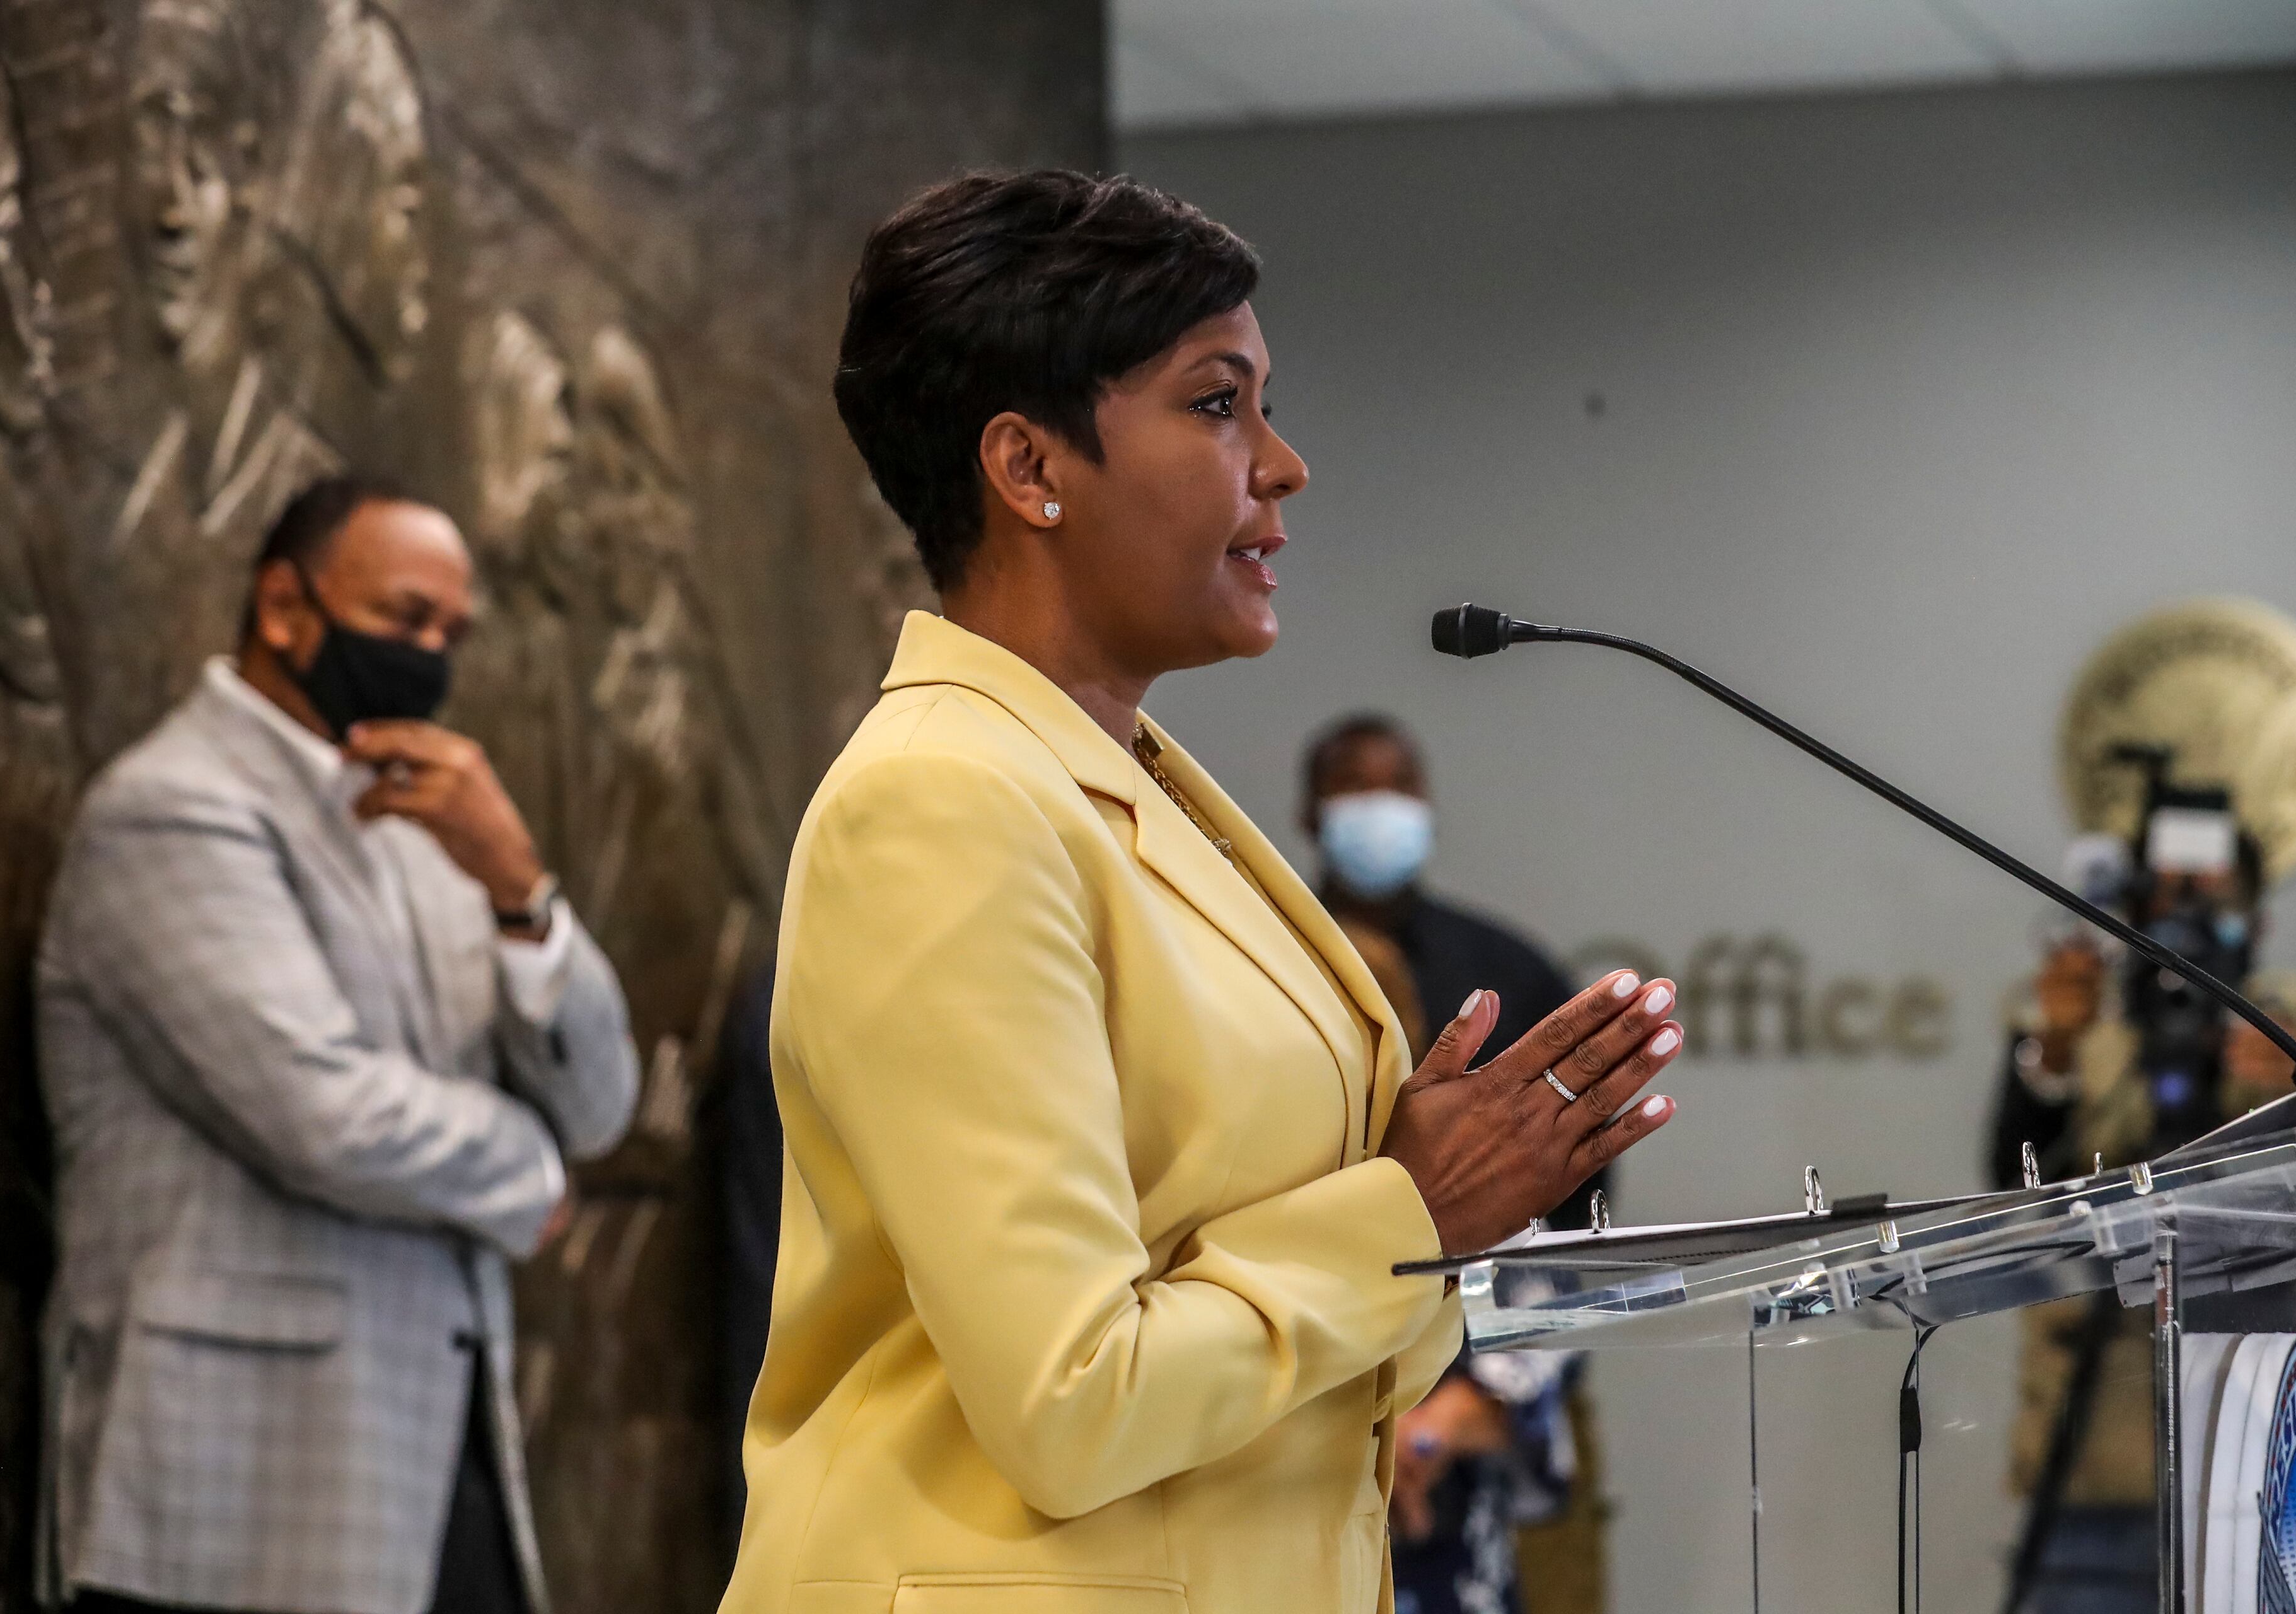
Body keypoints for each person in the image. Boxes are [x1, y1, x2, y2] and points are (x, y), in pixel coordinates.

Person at [719, 170, 1686, 1614]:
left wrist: (1427, 1212)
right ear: (1030, 469)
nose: (1282, 464)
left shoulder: (1129, 781)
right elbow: (1073, 1397)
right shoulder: (943, 803)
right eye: (1217, 402)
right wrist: (1405, 1204)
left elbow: (1305, 1316)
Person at [35, 476, 641, 1614]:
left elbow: (601, 1101)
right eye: (406, 620)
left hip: (436, 1450)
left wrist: (519, 887)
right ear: (283, 607)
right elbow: (322, 1111)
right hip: (241, 1481)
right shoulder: (171, 809)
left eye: (450, 634)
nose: (430, 655)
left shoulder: (429, 826)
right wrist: (533, 1175)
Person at [1987, 805, 2296, 1613]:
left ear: (2256, 918)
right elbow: (2009, 1180)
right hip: (2098, 1462)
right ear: (2131, 911)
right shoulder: (2083, 1033)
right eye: (2168, 896)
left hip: (2271, 1459)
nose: (2189, 919)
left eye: (2213, 898)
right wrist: (2053, 1051)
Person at [1301, 714, 1603, 1614]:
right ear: (1311, 813)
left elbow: (1572, 1229)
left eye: (1398, 789)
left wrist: (1433, 1431)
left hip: (1467, 1459)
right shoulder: (1262, 947)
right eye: (1356, 791)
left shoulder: (1506, 968)